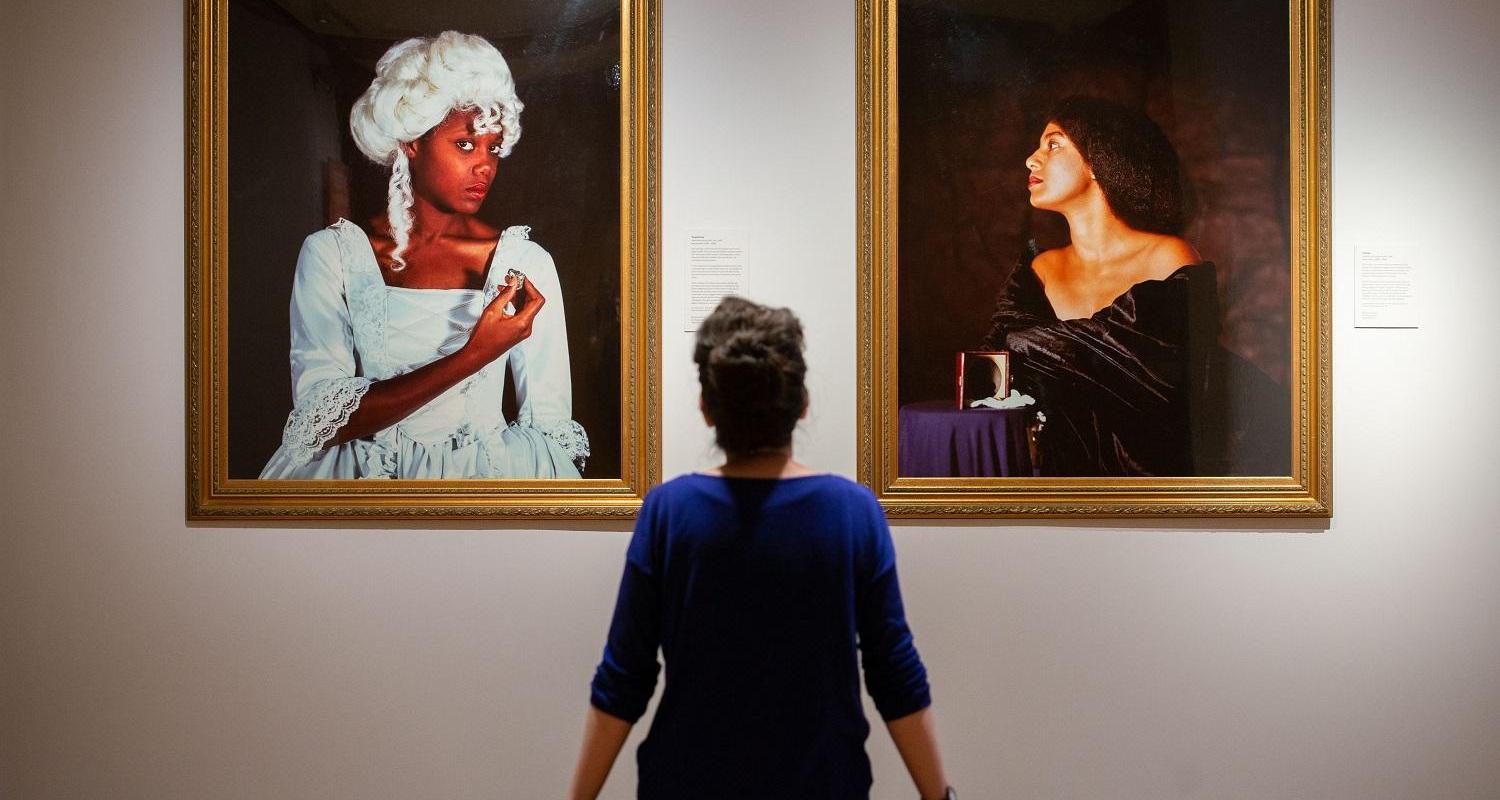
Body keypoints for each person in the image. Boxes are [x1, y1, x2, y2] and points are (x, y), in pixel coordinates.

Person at [569, 297, 953, 799]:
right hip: (823, 784)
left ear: (707, 409)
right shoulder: (851, 512)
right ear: (802, 405)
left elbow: (624, 677)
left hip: (686, 784)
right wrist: (938, 796)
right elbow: (893, 671)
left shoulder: (669, 511)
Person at [259, 31, 588, 480]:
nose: (485, 165)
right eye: (466, 144)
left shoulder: (525, 262)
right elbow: (322, 420)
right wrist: (476, 353)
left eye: (493, 147)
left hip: (487, 477)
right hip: (360, 477)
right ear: (411, 142)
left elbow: (550, 425)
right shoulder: (332, 255)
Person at [982, 95, 1221, 476]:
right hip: (1047, 490)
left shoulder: (1170, 259)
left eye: (1054, 144)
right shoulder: (1039, 270)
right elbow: (991, 379)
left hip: (1153, 498)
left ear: (1099, 162)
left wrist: (1032, 343)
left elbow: (1160, 385)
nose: (1032, 158)